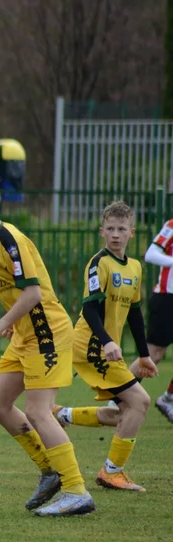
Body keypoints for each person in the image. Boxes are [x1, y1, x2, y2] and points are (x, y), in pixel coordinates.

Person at [0, 176, 94, 516]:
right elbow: (20, 294)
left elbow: (33, 294)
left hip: (47, 334)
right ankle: (49, 470)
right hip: (24, 334)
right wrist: (12, 325)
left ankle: (76, 490)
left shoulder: (8, 239)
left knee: (37, 411)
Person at [53, 202, 158, 491]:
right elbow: (89, 310)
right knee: (140, 402)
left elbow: (135, 314)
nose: (115, 235)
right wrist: (108, 341)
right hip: (90, 346)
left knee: (126, 413)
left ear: (131, 233)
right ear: (102, 232)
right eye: (110, 229)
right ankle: (112, 472)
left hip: (105, 349)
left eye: (121, 229)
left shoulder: (135, 267)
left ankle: (61, 415)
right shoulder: (99, 263)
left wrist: (146, 355)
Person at [126, 214, 173, 421]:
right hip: (167, 298)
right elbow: (151, 254)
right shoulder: (171, 225)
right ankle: (118, 397)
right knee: (153, 354)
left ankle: (169, 398)